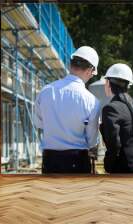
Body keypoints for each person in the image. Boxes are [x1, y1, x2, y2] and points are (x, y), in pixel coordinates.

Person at [34, 46, 101, 174]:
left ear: (71, 65)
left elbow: (39, 123)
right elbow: (92, 140)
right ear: (90, 70)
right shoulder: (92, 101)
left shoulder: (45, 91)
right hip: (77, 162)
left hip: (50, 161)